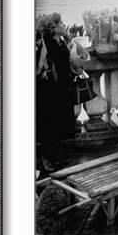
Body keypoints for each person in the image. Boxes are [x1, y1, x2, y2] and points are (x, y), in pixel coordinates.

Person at [36, 13, 76, 173]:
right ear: (53, 27)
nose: (64, 25)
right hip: (50, 90)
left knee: (58, 124)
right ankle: (48, 160)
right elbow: (39, 66)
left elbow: (65, 62)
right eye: (61, 23)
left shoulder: (61, 41)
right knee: (49, 125)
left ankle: (55, 157)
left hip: (62, 88)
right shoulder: (45, 42)